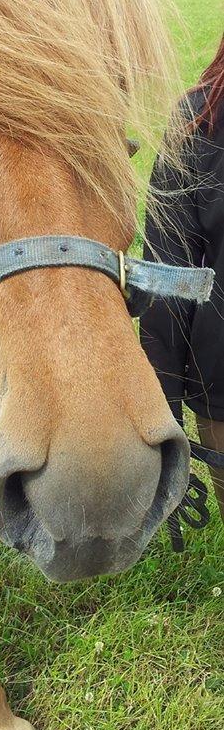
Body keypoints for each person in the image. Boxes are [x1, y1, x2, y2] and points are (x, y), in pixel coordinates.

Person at [140, 35, 224, 521]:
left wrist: (166, 417)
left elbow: (164, 285)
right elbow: (167, 282)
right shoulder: (195, 121)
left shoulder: (197, 120)